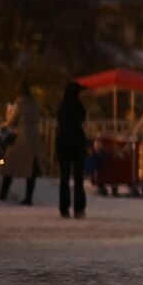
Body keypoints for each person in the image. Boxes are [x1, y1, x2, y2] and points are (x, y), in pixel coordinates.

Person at [0, 83, 41, 205]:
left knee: (8, 165)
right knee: (31, 169)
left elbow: (11, 121)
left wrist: (6, 124)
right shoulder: (34, 105)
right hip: (34, 139)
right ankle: (29, 197)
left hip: (20, 138)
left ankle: (3, 194)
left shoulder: (19, 104)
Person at [55, 81, 88, 219]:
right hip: (77, 144)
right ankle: (79, 208)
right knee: (78, 178)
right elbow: (82, 117)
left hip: (63, 143)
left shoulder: (62, 105)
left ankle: (64, 208)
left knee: (64, 177)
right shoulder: (78, 104)